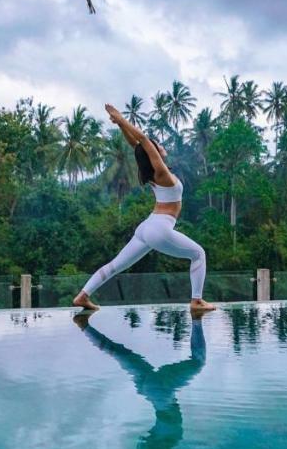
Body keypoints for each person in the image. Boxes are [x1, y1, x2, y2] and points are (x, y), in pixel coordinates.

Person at [72, 104, 216, 313]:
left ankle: (83, 295)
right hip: (159, 228)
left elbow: (137, 146)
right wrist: (121, 120)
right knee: (198, 254)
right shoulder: (161, 173)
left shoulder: (153, 172)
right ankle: (196, 301)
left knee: (115, 265)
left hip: (147, 228)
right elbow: (144, 142)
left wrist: (122, 126)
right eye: (157, 145)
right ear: (155, 153)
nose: (159, 145)